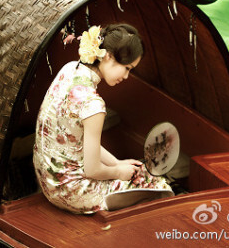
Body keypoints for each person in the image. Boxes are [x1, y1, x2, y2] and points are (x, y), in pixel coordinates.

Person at [33, 23, 173, 214]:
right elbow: (92, 170)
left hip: (47, 181)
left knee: (130, 171)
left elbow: (75, 140)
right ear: (107, 56)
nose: (126, 76)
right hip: (72, 193)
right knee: (160, 187)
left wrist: (116, 163)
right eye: (127, 68)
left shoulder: (69, 70)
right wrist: (117, 172)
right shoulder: (93, 104)